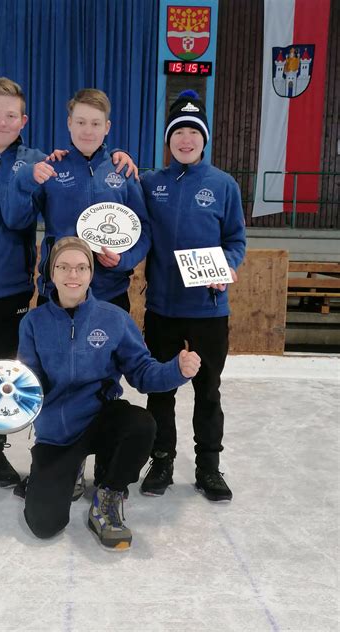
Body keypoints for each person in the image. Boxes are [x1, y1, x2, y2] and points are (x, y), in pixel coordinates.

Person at [0, 77, 137, 492]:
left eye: (12, 115)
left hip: (13, 293)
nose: (3, 121)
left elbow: (30, 209)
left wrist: (115, 157)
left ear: (24, 120)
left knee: (6, 377)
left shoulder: (39, 160)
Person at [16, 237, 201, 550]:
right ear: (52, 272)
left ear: (91, 274)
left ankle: (108, 496)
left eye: (81, 267)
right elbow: (28, 381)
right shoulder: (34, 323)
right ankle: (68, 470)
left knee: (141, 424)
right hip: (57, 432)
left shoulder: (114, 319)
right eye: (63, 267)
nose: (72, 274)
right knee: (44, 525)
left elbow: (142, 372)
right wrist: (6, 398)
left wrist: (177, 370)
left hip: (99, 418)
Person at [139, 90, 246, 501]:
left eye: (193, 131)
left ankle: (209, 468)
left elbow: (235, 239)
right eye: (178, 132)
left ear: (204, 139)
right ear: (169, 140)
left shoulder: (223, 185)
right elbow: (137, 230)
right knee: (160, 392)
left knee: (207, 392)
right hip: (163, 310)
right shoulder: (151, 184)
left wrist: (228, 267)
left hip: (208, 311)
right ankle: (162, 461)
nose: (186, 139)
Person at [2, 88, 150, 313]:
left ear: (107, 127)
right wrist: (24, 182)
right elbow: (17, 220)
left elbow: (144, 229)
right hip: (57, 292)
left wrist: (124, 260)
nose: (88, 131)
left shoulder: (123, 170)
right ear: (69, 123)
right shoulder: (51, 168)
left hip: (110, 294)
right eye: (81, 122)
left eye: (95, 124)